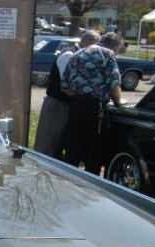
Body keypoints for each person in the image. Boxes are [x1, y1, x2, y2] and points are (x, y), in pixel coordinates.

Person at [60, 31, 124, 176]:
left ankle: (68, 181)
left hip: (75, 107)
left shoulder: (77, 54)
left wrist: (79, 95)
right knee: (94, 150)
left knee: (73, 149)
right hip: (95, 109)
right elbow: (114, 84)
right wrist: (119, 101)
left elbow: (64, 86)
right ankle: (91, 186)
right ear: (114, 46)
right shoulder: (107, 54)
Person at [33, 44, 77, 159]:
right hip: (57, 104)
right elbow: (65, 84)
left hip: (65, 104)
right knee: (47, 143)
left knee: (58, 145)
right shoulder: (68, 56)